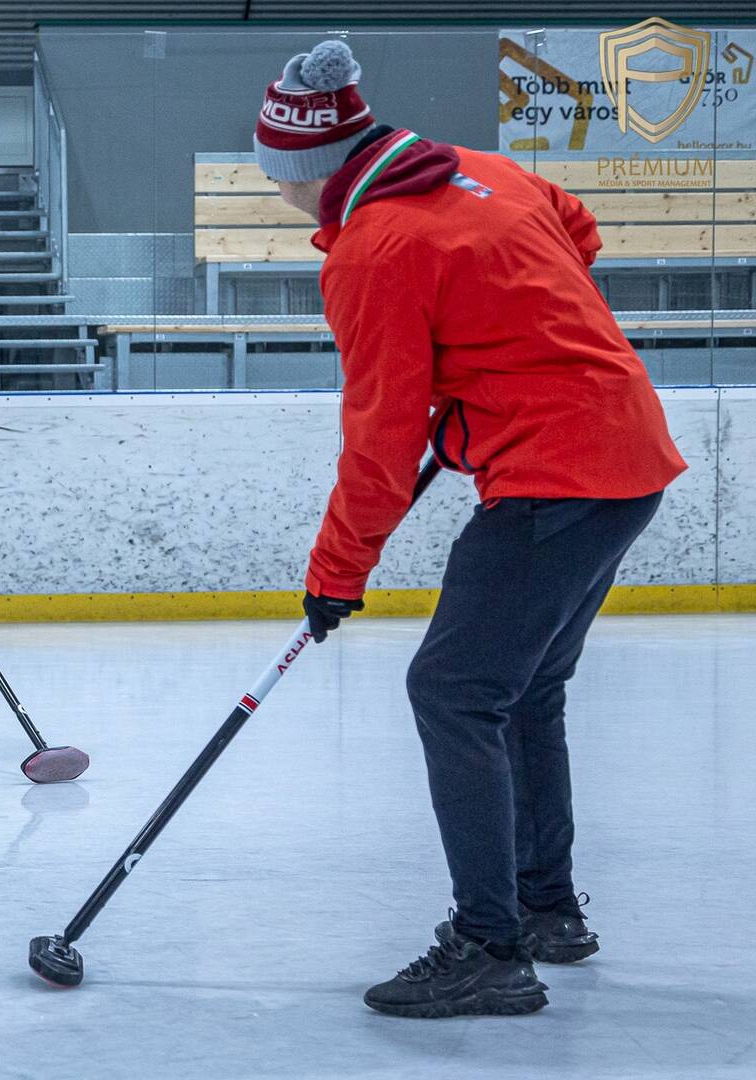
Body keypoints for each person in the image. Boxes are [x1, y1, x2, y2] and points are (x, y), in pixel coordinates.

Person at [252, 41, 685, 1018]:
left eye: (274, 169)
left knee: (451, 690)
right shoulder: (482, 173)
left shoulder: (375, 251)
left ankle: (491, 948)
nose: (273, 187)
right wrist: (506, 348)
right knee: (524, 687)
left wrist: (335, 574)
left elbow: (380, 438)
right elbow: (578, 231)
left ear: (307, 169)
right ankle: (546, 909)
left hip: (556, 476)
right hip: (627, 455)